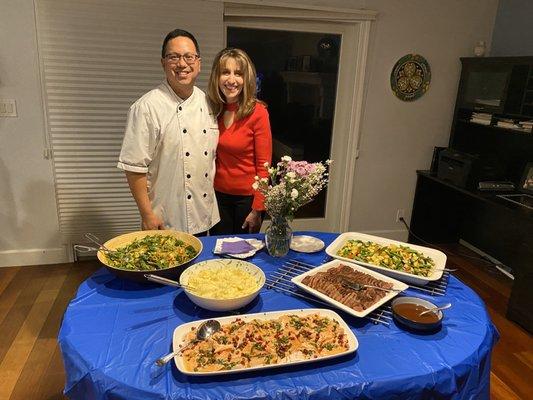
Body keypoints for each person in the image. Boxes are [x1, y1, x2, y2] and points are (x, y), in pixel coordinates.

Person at [117, 29, 219, 235]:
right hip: (164, 219)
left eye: (189, 57)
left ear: (198, 63)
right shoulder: (146, 107)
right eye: (174, 57)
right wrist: (147, 215)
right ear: (163, 63)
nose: (182, 64)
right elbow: (135, 167)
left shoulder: (209, 103)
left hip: (206, 214)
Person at [207, 48, 272, 234]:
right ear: (217, 77)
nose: (231, 80)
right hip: (217, 196)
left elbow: (264, 167)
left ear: (247, 79)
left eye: (238, 73)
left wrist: (258, 209)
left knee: (244, 253)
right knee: (219, 251)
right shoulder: (213, 110)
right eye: (225, 72)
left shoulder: (258, 113)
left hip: (247, 200)